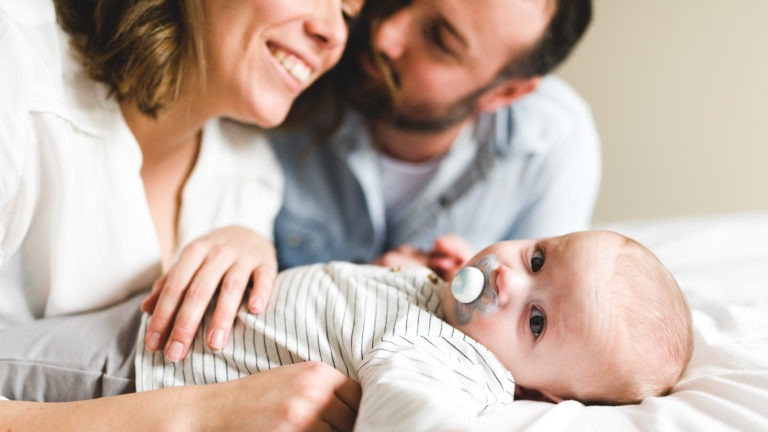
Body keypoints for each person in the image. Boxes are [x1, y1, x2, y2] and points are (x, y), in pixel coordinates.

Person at [0, 0, 364, 429]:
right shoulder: (16, 63)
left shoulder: (253, 179)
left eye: (348, 13)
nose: (334, 34)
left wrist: (251, 241)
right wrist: (197, 413)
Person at [138, 230, 694, 431]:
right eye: (539, 259)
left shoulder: (451, 360)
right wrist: (427, 275)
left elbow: (413, 414)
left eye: (537, 321)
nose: (506, 278)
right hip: (173, 324)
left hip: (147, 368)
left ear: (545, 394)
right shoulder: (450, 312)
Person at [269, 0, 601, 271]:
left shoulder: (552, 143)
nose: (384, 34)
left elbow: (541, 332)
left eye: (439, 39)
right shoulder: (287, 66)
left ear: (505, 94)